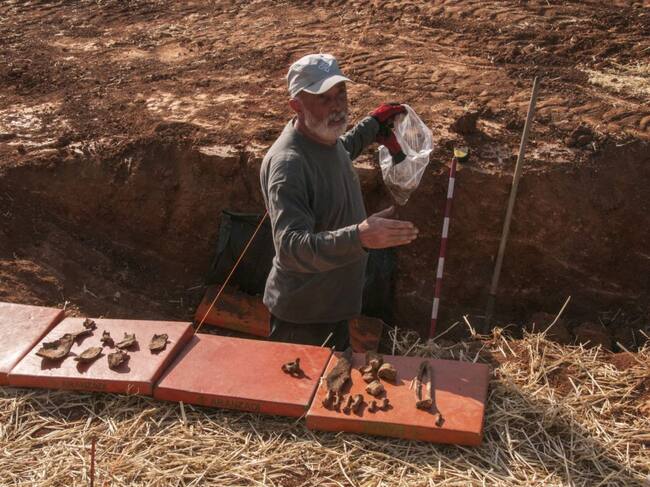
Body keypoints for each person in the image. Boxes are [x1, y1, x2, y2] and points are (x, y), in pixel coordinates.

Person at [259, 53, 418, 350]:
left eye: (340, 94)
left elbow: (339, 152)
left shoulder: (322, 139)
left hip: (331, 307)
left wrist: (372, 126)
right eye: (323, 98)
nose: (337, 106)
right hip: (304, 320)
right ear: (296, 105)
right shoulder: (288, 165)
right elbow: (291, 248)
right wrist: (360, 236)